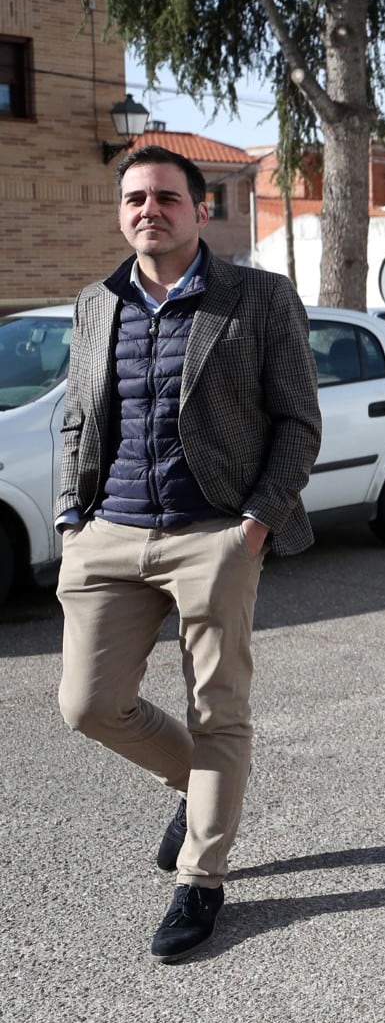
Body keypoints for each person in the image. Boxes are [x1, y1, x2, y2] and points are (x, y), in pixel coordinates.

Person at [56, 145, 321, 961]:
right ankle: (194, 783)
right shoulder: (95, 303)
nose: (149, 210)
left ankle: (201, 880)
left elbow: (298, 422)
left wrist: (254, 526)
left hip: (216, 535)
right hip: (110, 533)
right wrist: (72, 516)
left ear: (200, 209)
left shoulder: (260, 298)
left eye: (167, 197)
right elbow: (77, 416)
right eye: (135, 197)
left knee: (220, 711)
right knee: (88, 705)